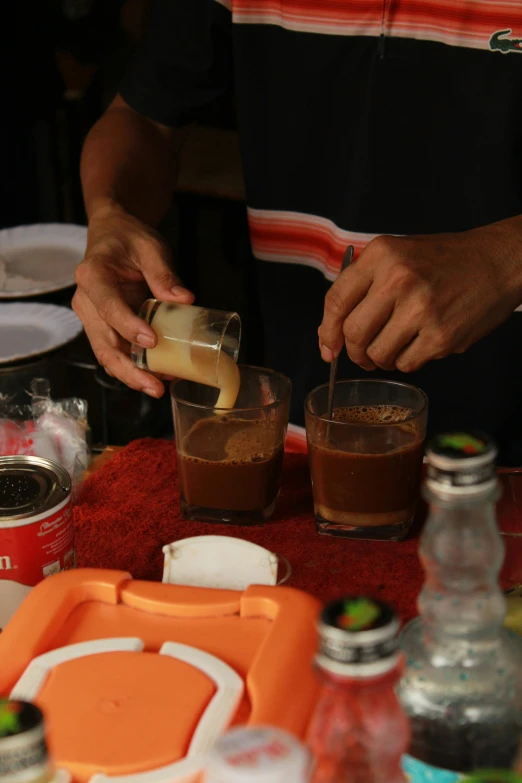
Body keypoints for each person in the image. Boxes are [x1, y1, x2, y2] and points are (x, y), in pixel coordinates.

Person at [73, 0, 522, 464]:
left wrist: (505, 259)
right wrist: (110, 214)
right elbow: (145, 116)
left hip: (508, 452)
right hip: (306, 443)